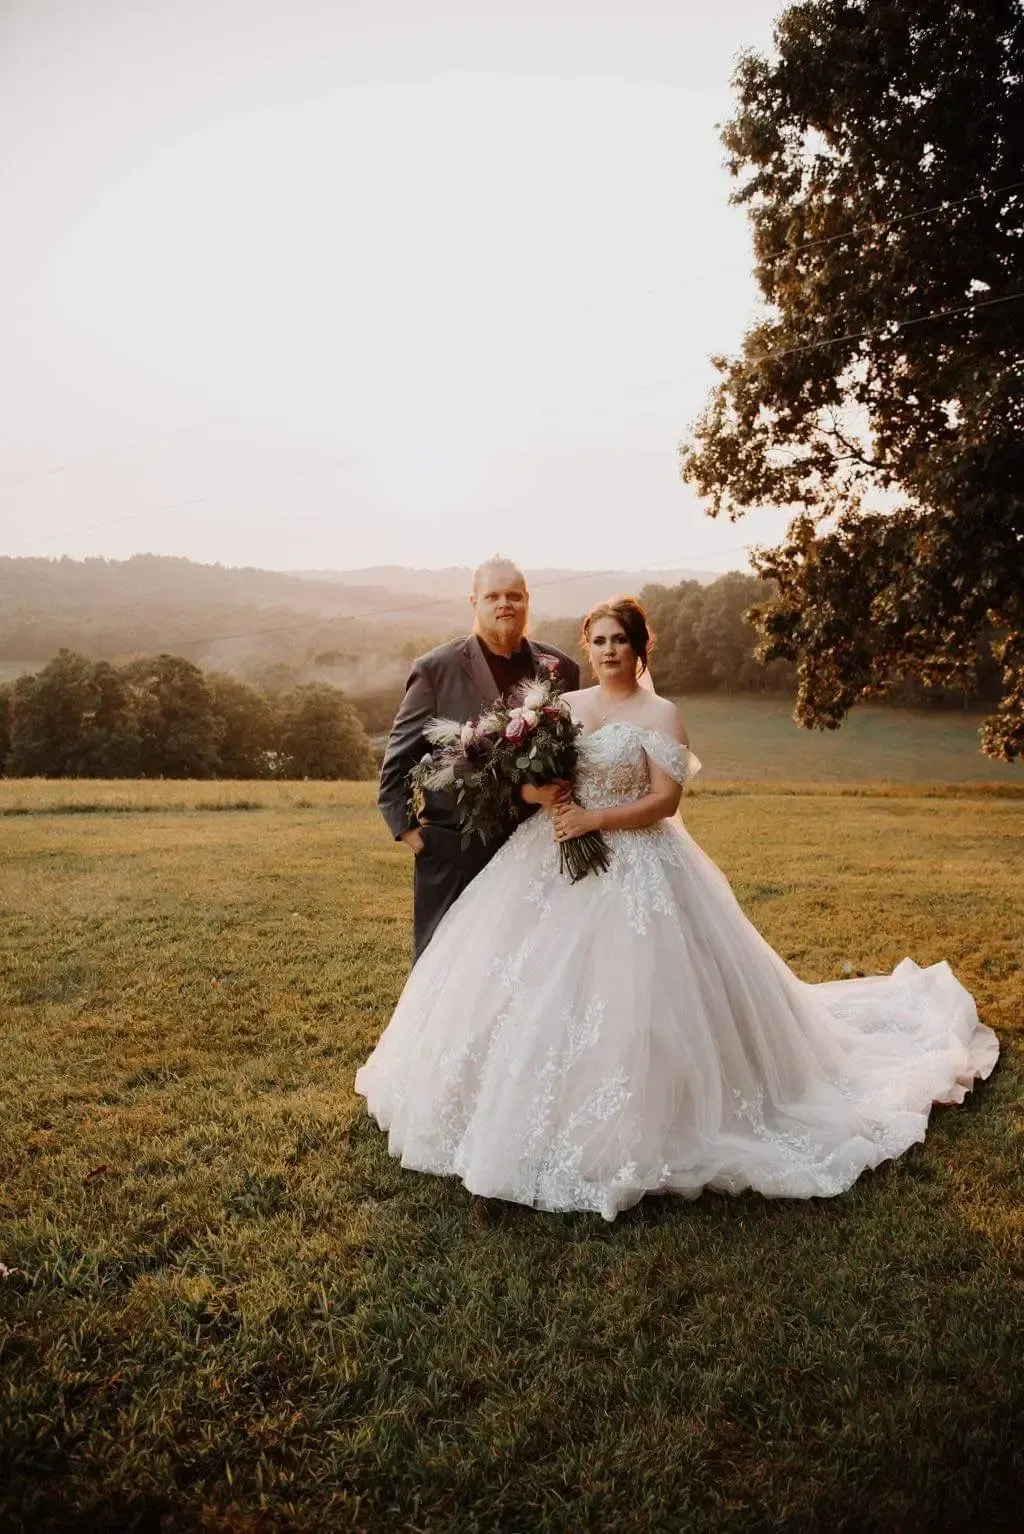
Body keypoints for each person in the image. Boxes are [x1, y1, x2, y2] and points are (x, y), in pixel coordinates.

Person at [356, 596, 999, 1221]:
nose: (609, 651)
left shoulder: (662, 714)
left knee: (641, 995)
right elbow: (521, 779)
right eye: (599, 640)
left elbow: (663, 801)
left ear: (640, 648)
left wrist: (593, 819)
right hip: (550, 853)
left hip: (637, 860)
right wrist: (540, 790)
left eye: (621, 640)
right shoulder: (561, 706)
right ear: (589, 646)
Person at [377, 555, 579, 962]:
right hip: (454, 854)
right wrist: (415, 837)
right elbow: (398, 761)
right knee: (443, 975)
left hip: (533, 855)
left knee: (529, 973)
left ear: (527, 601)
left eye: (514, 595)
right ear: (474, 602)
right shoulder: (436, 669)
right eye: (493, 596)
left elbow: (573, 753)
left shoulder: (560, 669)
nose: (505, 604)